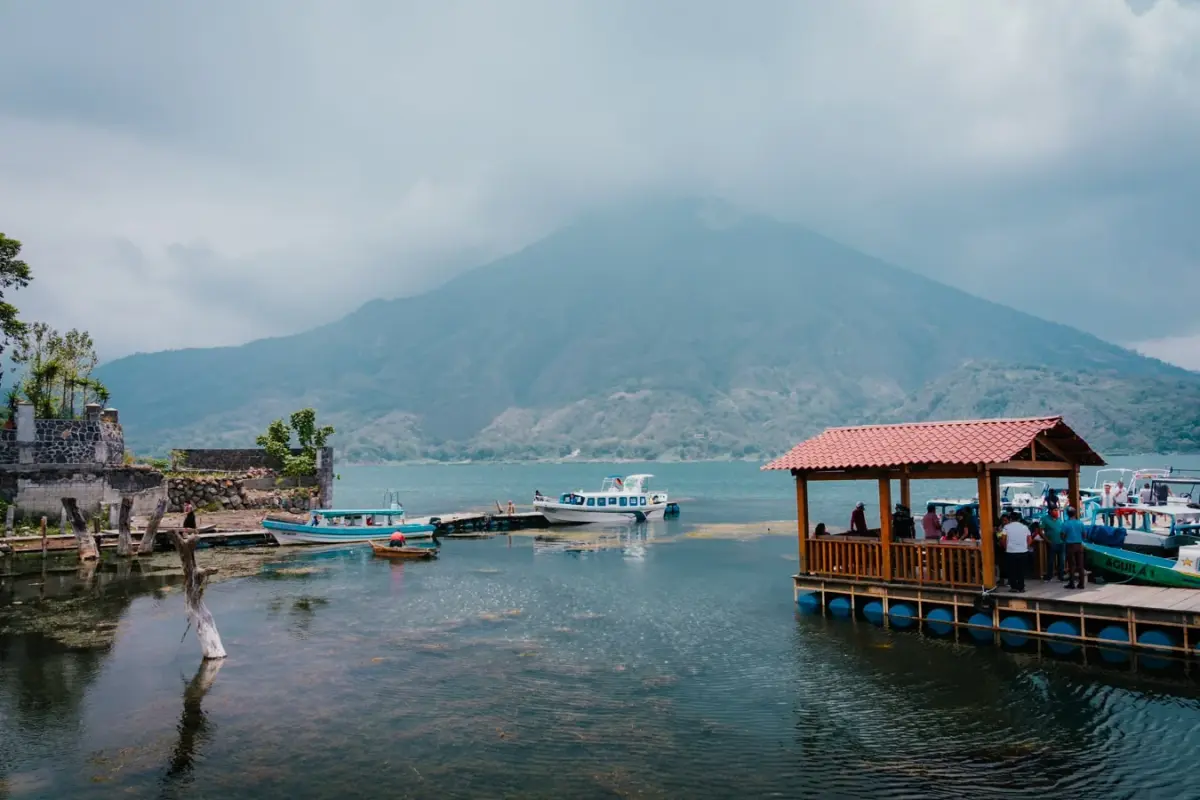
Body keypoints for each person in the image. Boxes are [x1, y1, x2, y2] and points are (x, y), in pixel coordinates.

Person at [1001, 513, 1032, 593]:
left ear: (1010, 519)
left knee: (1012, 570)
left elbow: (1003, 539)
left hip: (1011, 552)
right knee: (1021, 570)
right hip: (1023, 552)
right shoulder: (1025, 527)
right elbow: (1029, 539)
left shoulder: (1006, 527)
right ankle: (1021, 587)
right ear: (1019, 519)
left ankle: (1014, 587)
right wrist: (1025, 547)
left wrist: (1006, 548)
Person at [1062, 506, 1086, 589]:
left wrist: (1066, 539)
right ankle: (1081, 584)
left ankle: (1072, 583)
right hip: (1079, 545)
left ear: (1067, 514)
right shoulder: (1080, 523)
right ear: (1075, 514)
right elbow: (1084, 535)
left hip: (1070, 546)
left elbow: (1062, 535)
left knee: (1072, 565)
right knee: (1080, 565)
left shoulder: (1065, 524)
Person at [1041, 507, 1065, 582]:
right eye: (1055, 510)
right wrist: (1047, 541)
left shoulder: (1059, 519)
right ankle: (1049, 576)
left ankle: (1061, 576)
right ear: (1050, 511)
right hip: (1052, 543)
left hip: (1061, 543)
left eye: (1057, 510)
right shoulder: (1044, 519)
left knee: (1062, 560)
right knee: (1051, 560)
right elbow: (1040, 531)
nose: (1057, 512)